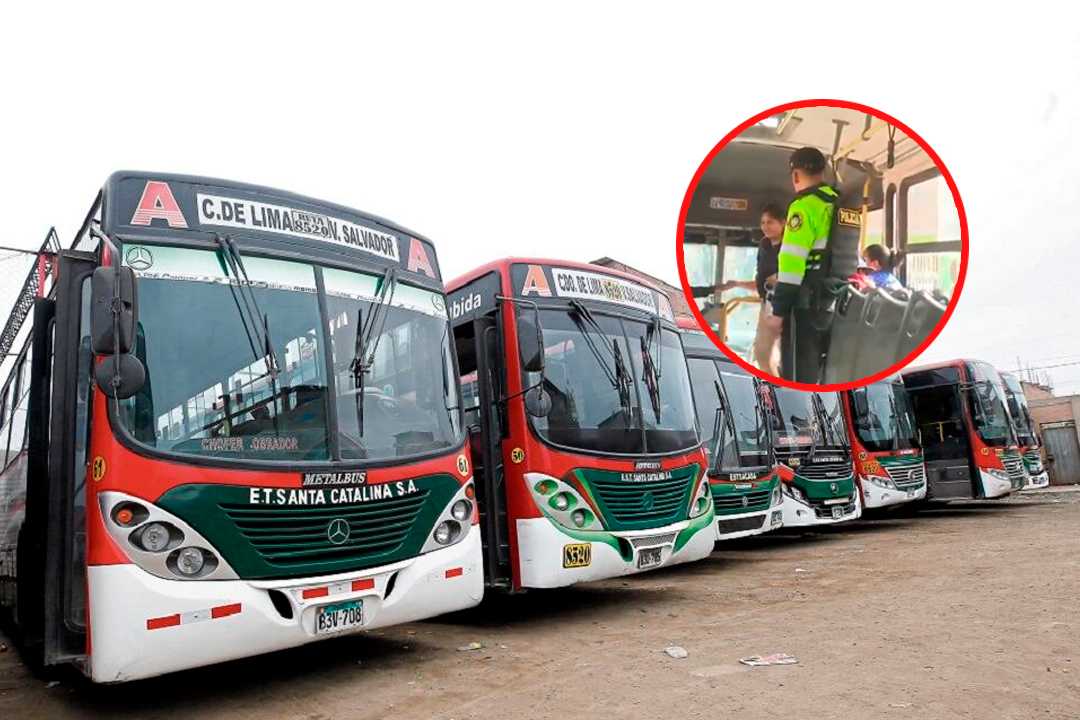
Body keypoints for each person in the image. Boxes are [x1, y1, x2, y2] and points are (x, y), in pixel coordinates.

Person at [770, 146, 860, 383]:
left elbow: (791, 265)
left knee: (798, 379)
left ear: (796, 175)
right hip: (837, 305)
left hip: (805, 308)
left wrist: (778, 313)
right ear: (824, 171)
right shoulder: (841, 205)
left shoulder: (804, 207)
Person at [719, 204, 785, 375]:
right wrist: (737, 284)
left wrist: (782, 278)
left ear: (783, 223)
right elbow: (760, 281)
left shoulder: (790, 247)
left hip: (785, 303)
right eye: (763, 222)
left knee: (787, 355)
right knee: (762, 354)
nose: (765, 226)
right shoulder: (764, 247)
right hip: (767, 304)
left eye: (770, 222)